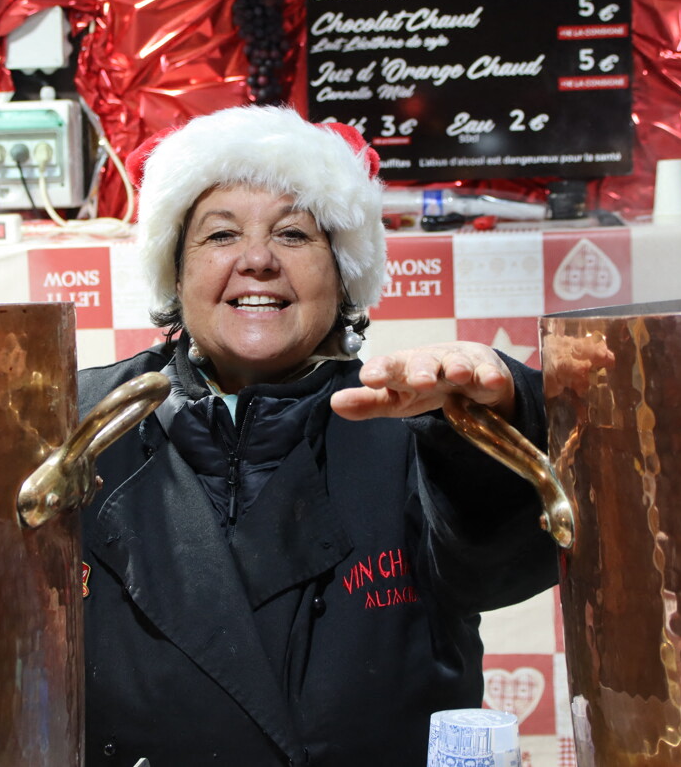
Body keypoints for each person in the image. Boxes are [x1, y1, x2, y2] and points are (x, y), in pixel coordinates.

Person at [78, 105, 559, 767]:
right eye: (220, 235)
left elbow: (510, 552)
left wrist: (497, 417)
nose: (257, 259)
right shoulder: (84, 423)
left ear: (342, 278)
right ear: (176, 272)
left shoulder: (413, 429)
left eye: (294, 235)